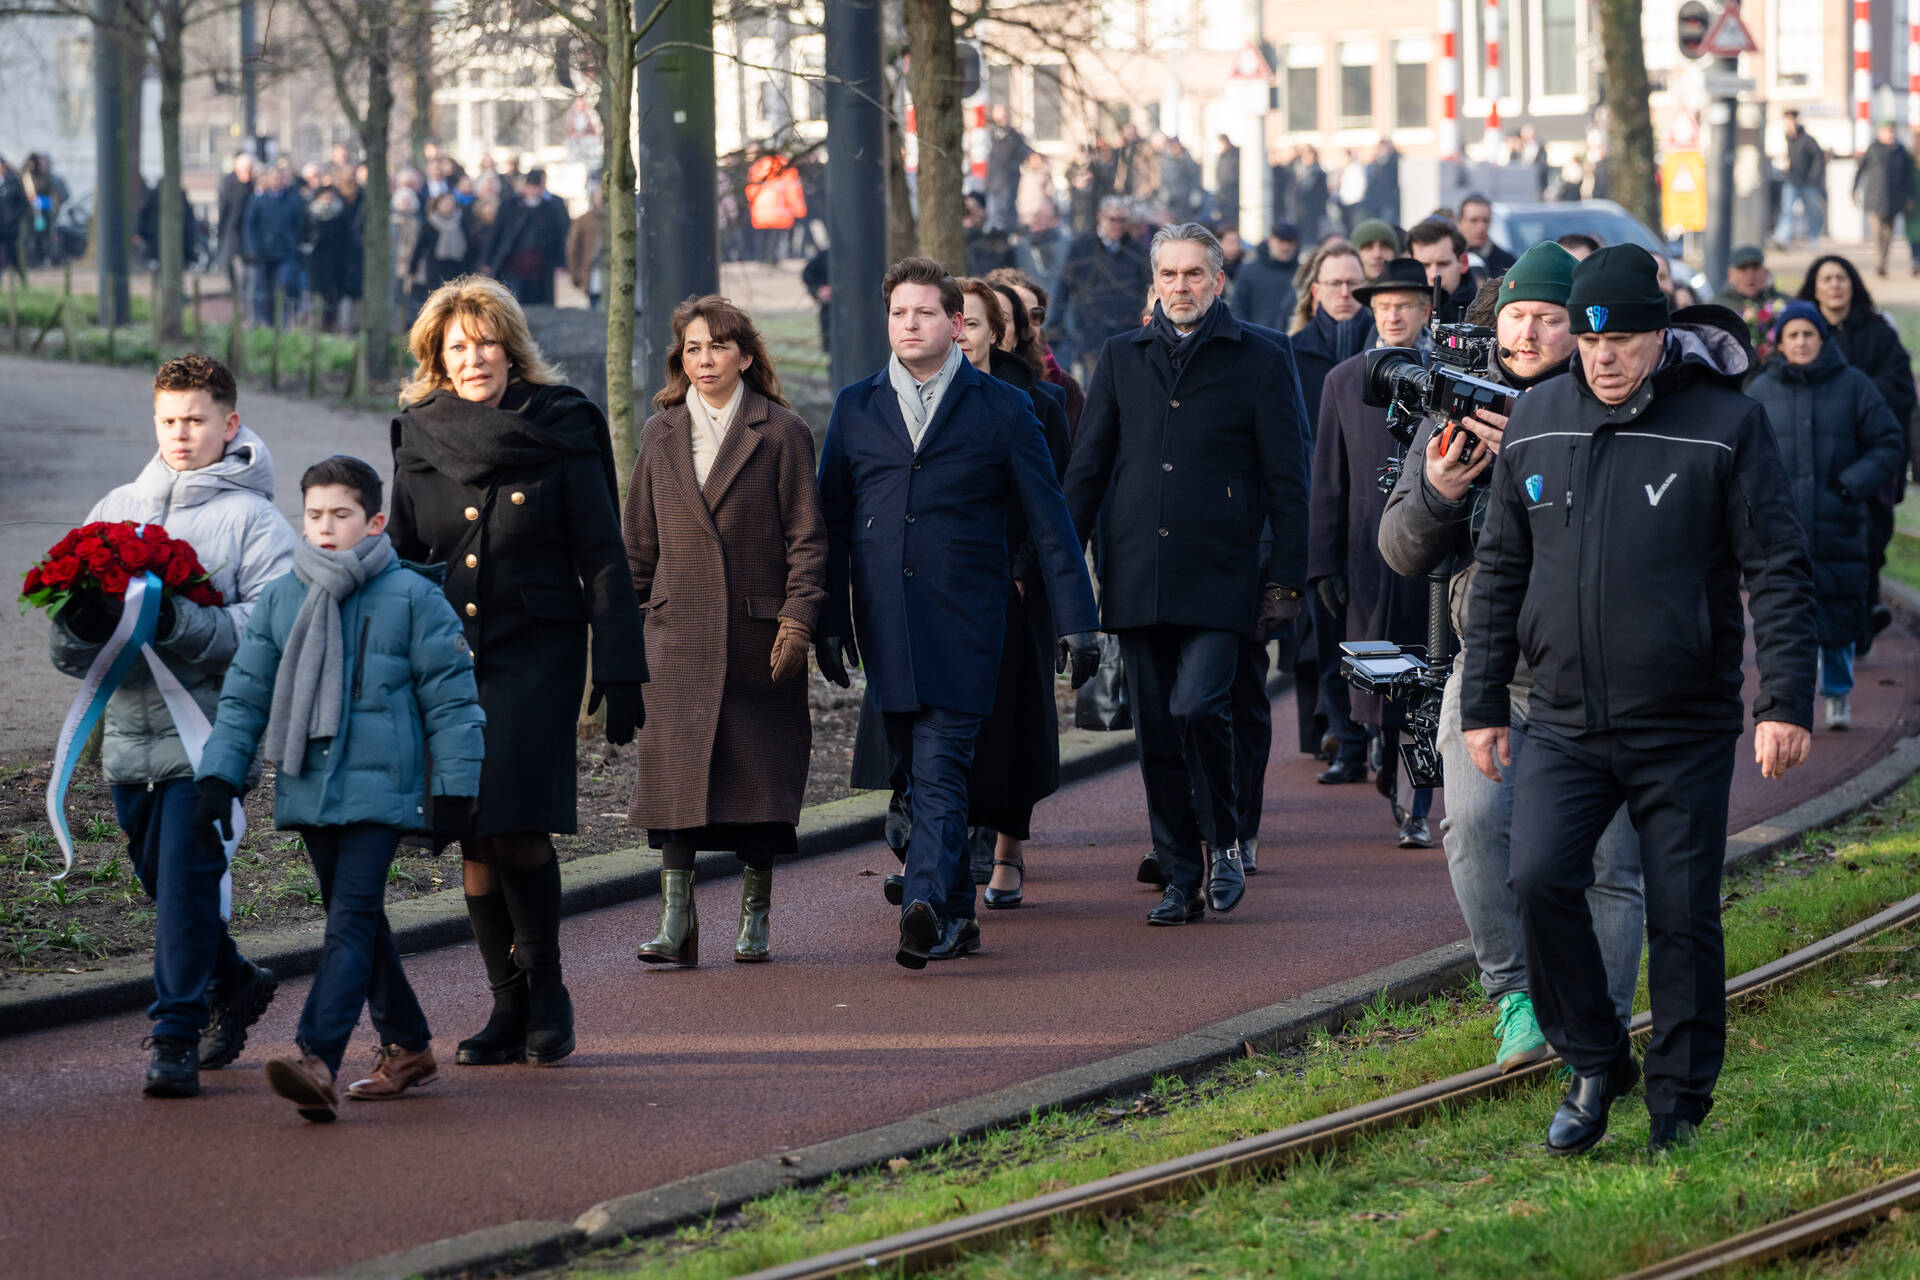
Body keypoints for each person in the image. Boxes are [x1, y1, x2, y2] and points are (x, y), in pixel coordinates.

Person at [1461, 244, 1816, 1156]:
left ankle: (1677, 1108)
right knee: (1538, 877)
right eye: (1589, 339)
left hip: (1683, 722)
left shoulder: (1726, 424)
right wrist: (1484, 703)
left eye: (1622, 339)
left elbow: (1777, 567)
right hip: (1562, 719)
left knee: (1683, 912)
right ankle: (1593, 1059)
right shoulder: (1536, 417)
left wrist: (1785, 701)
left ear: (1660, 337)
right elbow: (1501, 567)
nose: (1603, 357)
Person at [1377, 244, 1646, 1070]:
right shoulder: (1458, 406)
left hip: (1611, 673)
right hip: (1493, 665)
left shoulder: (1616, 403)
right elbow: (1397, 549)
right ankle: (1517, 998)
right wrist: (1438, 493)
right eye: (1516, 316)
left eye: (1548, 319)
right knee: (1475, 827)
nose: (1527, 333)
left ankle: (1595, 1025)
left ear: (1582, 327)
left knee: (1608, 860)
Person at [390, 276, 645, 1066]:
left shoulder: (562, 425)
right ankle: (507, 1010)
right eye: (456, 347)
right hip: (447, 659)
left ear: (512, 348)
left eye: (485, 342)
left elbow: (602, 552)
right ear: (437, 358)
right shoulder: (416, 433)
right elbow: (402, 556)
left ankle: (549, 993)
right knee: (472, 834)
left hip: (537, 649)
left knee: (517, 824)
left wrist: (622, 664)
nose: (473, 359)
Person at [816, 258, 1099, 967]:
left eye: (924, 313)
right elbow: (829, 519)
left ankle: (921, 905)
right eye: (898, 313)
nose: (910, 325)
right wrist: (822, 618)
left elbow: (1050, 520)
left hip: (972, 624)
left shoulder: (1005, 407)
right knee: (915, 767)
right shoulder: (856, 406)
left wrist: (1078, 620)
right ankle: (956, 915)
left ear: (955, 323)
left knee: (942, 764)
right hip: (886, 624)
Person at [195, 457, 482, 1121]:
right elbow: (245, 693)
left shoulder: (412, 597)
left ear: (374, 522)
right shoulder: (283, 595)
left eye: (341, 515)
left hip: (384, 790)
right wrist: (219, 772)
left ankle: (315, 1056)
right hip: (310, 785)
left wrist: (457, 789)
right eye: (315, 515)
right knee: (356, 921)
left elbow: (452, 701)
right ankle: (408, 1044)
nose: (325, 528)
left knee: (349, 920)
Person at [49, 355, 296, 1097]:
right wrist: (82, 622)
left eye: (195, 420)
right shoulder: (114, 509)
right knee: (163, 882)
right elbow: (67, 652)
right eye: (168, 420)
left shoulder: (258, 521)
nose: (181, 434)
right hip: (129, 740)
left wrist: (179, 619)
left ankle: (174, 1035)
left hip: (212, 739)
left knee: (187, 885)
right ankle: (236, 978)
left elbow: (267, 632)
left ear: (231, 421)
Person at [1061, 223, 1311, 924]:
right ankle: (1179, 875)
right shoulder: (1119, 356)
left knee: (1199, 708)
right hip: (1137, 575)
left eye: (1193, 274)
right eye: (1168, 275)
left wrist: (1288, 579)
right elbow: (1085, 476)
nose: (1180, 287)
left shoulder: (1261, 356)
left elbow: (1291, 477)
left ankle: (1225, 838)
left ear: (1218, 280)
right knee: (1156, 734)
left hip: (1223, 574)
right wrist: (1062, 580)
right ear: (1153, 283)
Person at [621, 296, 826, 966]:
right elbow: (637, 547)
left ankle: (755, 912)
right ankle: (676, 922)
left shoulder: (782, 432)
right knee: (672, 781)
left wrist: (798, 620)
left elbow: (808, 539)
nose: (703, 360)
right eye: (691, 348)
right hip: (675, 636)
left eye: (715, 346)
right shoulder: (661, 433)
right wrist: (624, 634)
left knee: (759, 781)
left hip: (755, 639)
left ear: (744, 353)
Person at [1308, 257, 1437, 846]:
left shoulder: (1452, 376)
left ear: (1425, 311)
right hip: (1366, 561)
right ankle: (1390, 764)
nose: (1392, 314)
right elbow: (1328, 482)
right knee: (1382, 692)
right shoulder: (1341, 381)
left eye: (1405, 304)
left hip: (1436, 558)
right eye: (1383, 305)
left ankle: (1418, 809)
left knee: (1428, 691)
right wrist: (1322, 564)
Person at [955, 280, 1075, 906]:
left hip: (1015, 589)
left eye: (975, 324)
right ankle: (942, 849)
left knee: (1013, 724)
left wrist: (1025, 572)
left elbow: (1052, 504)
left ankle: (1008, 848)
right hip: (950, 590)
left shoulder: (1040, 402)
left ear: (997, 333)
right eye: (956, 322)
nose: (961, 336)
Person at [1748, 301, 1906, 730]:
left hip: (1839, 525)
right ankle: (1783, 707)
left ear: (1822, 338)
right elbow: (1741, 457)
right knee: (1782, 623)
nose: (1801, 342)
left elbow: (1889, 442)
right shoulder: (1760, 392)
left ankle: (1837, 694)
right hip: (1781, 530)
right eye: (1793, 335)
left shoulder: (1854, 385)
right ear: (1779, 341)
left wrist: (1850, 485)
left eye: (1809, 334)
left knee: (1837, 617)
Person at [1798, 253, 1918, 637]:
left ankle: (1867, 606)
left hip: (1870, 457)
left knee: (1872, 537)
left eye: (1842, 278)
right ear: (1814, 288)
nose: (1834, 285)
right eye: (1826, 278)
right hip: (1819, 456)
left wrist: (1854, 398)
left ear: (1853, 285)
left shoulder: (1880, 333)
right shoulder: (1802, 335)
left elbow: (1900, 388)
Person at [1053, 196, 1152, 379]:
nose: (1117, 225)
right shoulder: (1082, 247)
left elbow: (1148, 287)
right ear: (1100, 216)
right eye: (1112, 219)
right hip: (1091, 334)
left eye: (1122, 220)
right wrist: (1055, 324)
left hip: (1127, 334)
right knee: (1094, 390)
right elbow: (1064, 287)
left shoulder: (1136, 251)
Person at [485, 168, 571, 305]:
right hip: (514, 264)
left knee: (539, 303)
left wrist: (560, 263)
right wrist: (489, 261)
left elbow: (557, 237)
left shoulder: (550, 208)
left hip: (540, 265)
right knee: (515, 302)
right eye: (533, 186)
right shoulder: (510, 206)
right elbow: (497, 234)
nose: (536, 191)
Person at [244, 166, 307, 326]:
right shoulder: (258, 201)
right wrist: (253, 248)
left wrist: (293, 242)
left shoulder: (291, 201)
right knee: (264, 290)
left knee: (282, 286)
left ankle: (282, 323)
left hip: (285, 252)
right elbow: (250, 225)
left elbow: (299, 224)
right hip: (264, 253)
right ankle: (264, 321)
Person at [1853, 121, 1913, 277]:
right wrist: (1853, 190)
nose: (1890, 134)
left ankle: (1884, 261)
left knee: (1888, 235)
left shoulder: (1901, 151)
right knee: (1877, 232)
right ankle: (1879, 263)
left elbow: (1908, 176)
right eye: (1887, 131)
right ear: (1880, 133)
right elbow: (1861, 170)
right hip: (1875, 198)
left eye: (1892, 131)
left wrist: (1908, 197)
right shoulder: (1873, 148)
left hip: (1894, 200)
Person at [1712, 244, 1790, 354]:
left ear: (1766, 272)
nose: (1750, 275)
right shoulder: (1718, 307)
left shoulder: (1783, 302)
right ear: (1731, 275)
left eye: (1755, 268)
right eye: (1743, 268)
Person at [1231, 220, 1301, 333]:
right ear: (1270, 241)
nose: (1286, 247)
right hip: (1256, 340)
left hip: (1292, 341)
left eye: (1290, 242)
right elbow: (1237, 308)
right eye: (1281, 241)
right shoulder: (1249, 270)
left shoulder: (1301, 273)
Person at [1406, 217, 1478, 323]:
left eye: (1443, 264)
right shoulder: (1395, 318)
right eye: (1424, 265)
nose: (1433, 275)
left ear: (1463, 263)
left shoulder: (1487, 319)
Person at [412, 191, 476, 304]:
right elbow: (420, 247)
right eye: (445, 203)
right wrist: (412, 269)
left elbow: (469, 246)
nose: (448, 205)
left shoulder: (461, 221)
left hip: (457, 267)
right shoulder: (430, 223)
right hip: (436, 268)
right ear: (437, 205)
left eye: (450, 203)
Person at [1775, 110, 1826, 246]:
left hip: (1808, 182)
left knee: (1812, 211)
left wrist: (1813, 176)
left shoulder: (1807, 140)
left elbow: (1818, 157)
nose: (1790, 124)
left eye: (1792, 120)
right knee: (1787, 210)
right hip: (1792, 180)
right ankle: (1781, 239)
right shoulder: (1787, 139)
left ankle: (1814, 239)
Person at [216, 152, 256, 303]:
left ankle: (243, 292)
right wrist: (221, 230)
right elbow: (224, 208)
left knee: (247, 265)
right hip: (232, 229)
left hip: (247, 231)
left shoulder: (252, 185)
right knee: (229, 261)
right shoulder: (230, 184)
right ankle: (235, 291)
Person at [986, 107, 1033, 233]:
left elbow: (1021, 151)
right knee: (994, 213)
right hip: (994, 182)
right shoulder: (990, 134)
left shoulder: (1013, 136)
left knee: (1006, 213)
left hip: (1008, 181)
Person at [567, 186, 605, 310]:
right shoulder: (583, 220)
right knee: (594, 306)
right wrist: (575, 274)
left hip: (607, 270)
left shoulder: (613, 219)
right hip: (592, 272)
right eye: (599, 198)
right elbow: (573, 249)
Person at [1457, 194, 1514, 274]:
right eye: (1474, 220)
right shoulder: (1449, 259)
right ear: (1460, 223)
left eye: (1486, 221)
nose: (1481, 228)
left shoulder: (1507, 263)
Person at [1215, 134, 1241, 223]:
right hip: (1223, 194)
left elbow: (1236, 174)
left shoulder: (1236, 154)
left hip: (1233, 195)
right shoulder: (1222, 156)